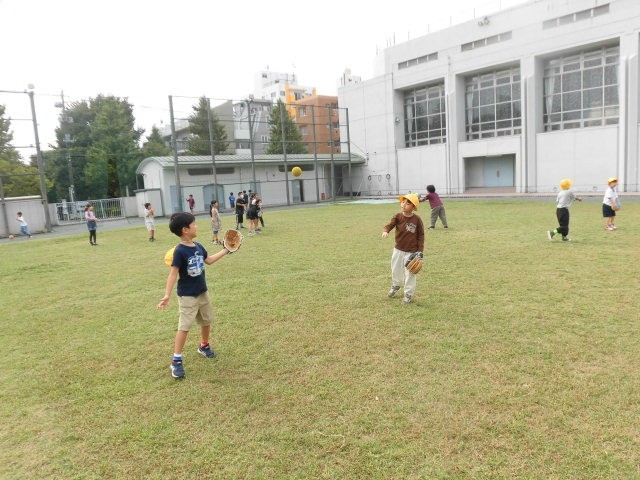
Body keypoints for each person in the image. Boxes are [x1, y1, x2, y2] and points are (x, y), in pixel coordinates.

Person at [157, 212, 233, 379]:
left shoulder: (198, 246)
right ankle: (176, 360)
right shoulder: (179, 251)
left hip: (202, 292)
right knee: (184, 326)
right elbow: (173, 273)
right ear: (185, 230)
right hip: (187, 296)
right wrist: (167, 295)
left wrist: (226, 250)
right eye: (194, 224)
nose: (196, 226)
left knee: (206, 321)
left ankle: (203, 345)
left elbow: (209, 260)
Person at [381, 194, 425, 305]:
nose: (404, 204)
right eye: (403, 202)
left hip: (411, 252)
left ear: (414, 207)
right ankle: (396, 285)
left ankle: (408, 294)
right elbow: (389, 225)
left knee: (410, 273)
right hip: (398, 250)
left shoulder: (417, 220)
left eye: (408, 203)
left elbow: (421, 235)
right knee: (395, 269)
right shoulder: (398, 216)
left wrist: (420, 252)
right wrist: (385, 231)